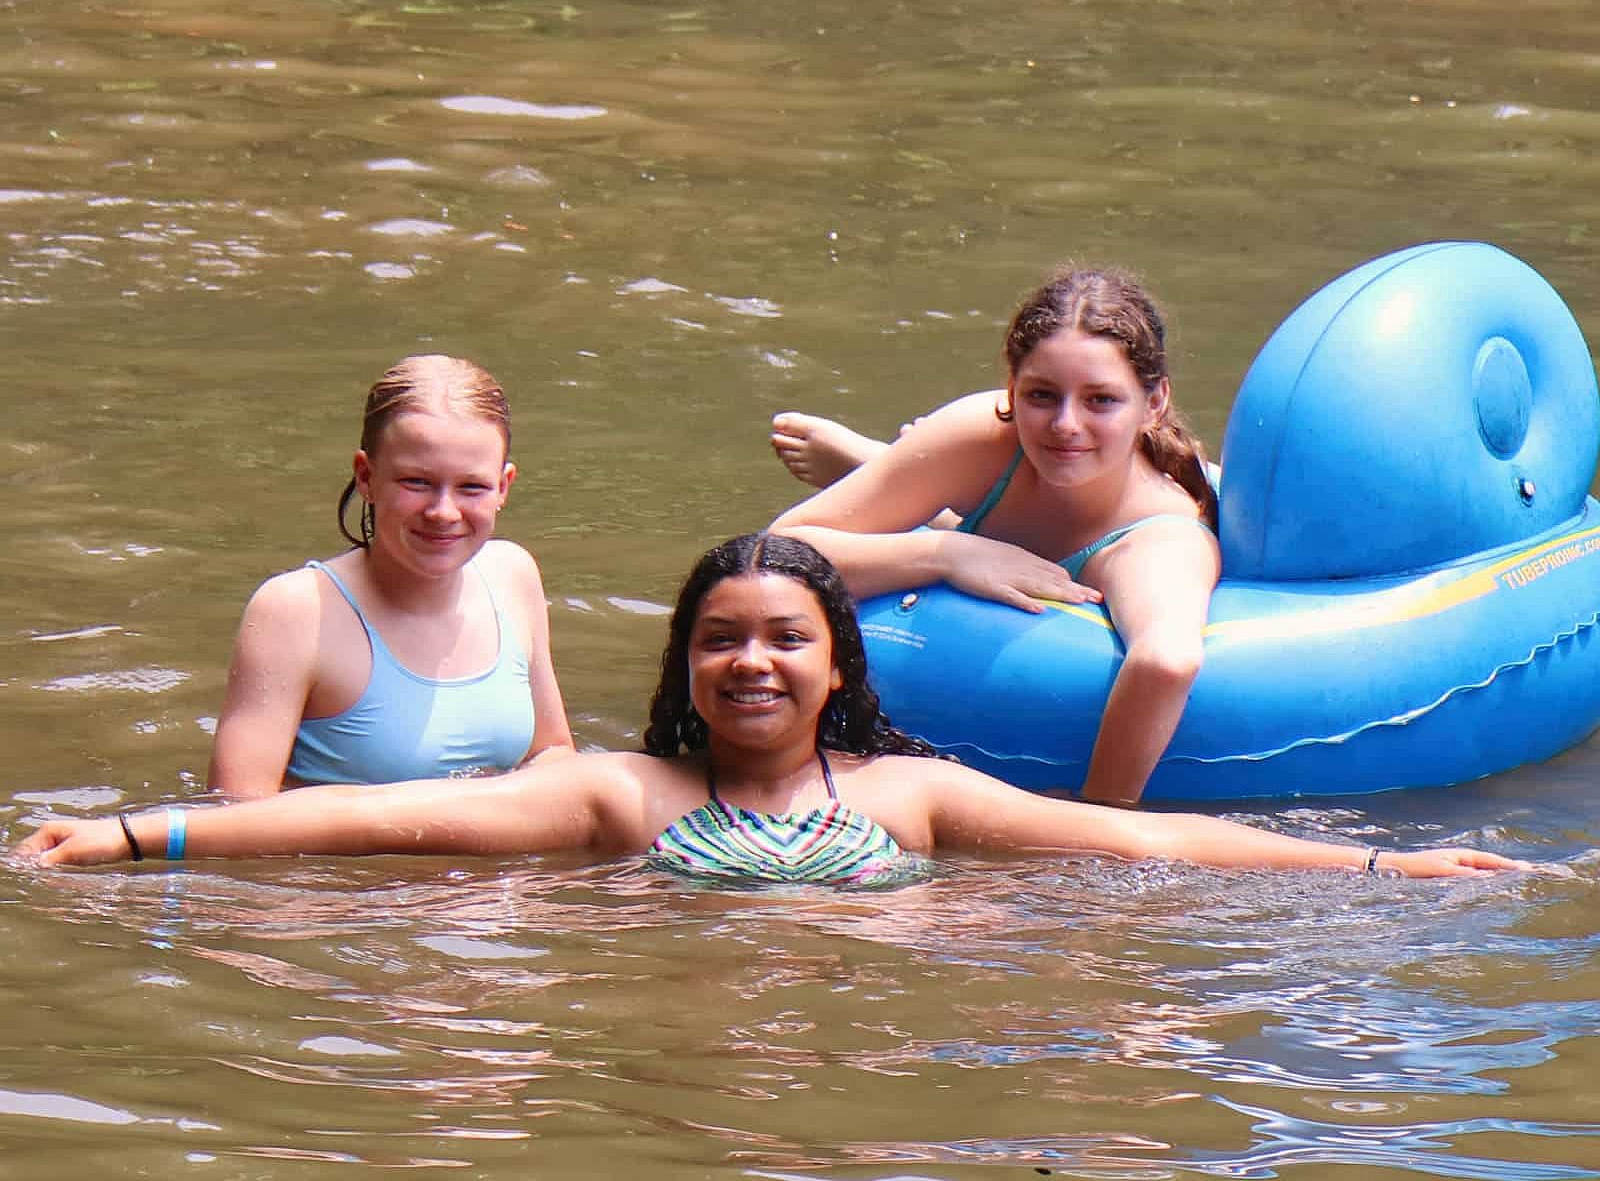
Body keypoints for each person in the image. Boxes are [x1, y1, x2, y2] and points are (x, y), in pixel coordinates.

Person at [17, 534, 1525, 882]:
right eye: (721, 641)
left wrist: (1383, 868)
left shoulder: (908, 801)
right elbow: (359, 820)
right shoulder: (615, 798)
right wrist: (132, 843)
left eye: (784, 642)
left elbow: (1142, 855)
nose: (751, 664)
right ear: (684, 668)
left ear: (833, 669)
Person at [769, 267, 1218, 807]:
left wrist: (1100, 811)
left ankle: (885, 469)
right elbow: (777, 554)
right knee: (947, 510)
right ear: (1011, 390)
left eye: (1101, 400)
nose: (1065, 425)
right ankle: (901, 478)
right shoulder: (988, 435)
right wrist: (947, 554)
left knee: (941, 503)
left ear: (1154, 402)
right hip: (989, 493)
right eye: (1041, 396)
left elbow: (1166, 661)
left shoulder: (1163, 540)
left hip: (1103, 533)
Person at [206, 354, 574, 797]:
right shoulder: (295, 611)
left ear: (503, 487)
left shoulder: (512, 574)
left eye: (471, 487)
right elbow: (236, 815)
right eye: (416, 482)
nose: (443, 512)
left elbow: (552, 754)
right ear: (366, 476)